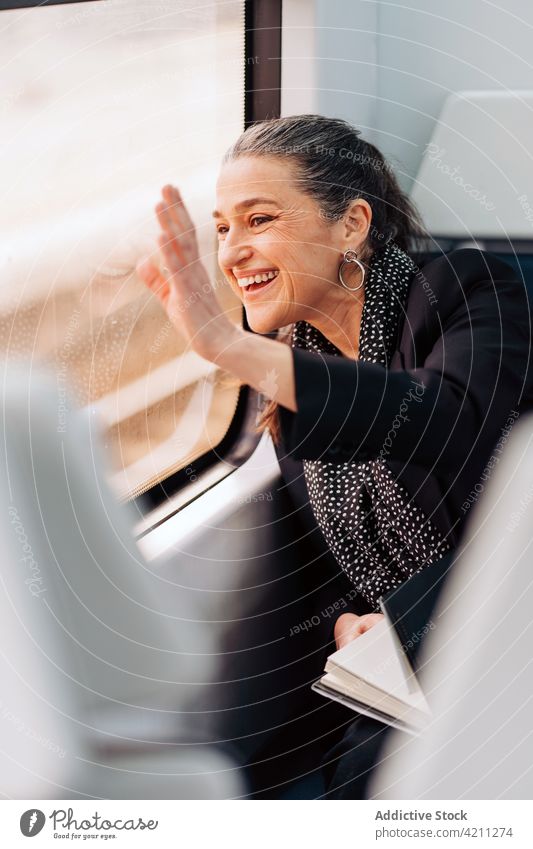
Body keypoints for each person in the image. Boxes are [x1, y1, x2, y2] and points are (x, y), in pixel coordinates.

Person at [137, 114, 533, 796]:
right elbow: (322, 567)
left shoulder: (470, 289)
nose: (231, 252)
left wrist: (225, 344)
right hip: (399, 651)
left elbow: (443, 420)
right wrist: (351, 622)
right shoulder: (294, 374)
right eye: (222, 227)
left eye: (258, 218)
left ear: (350, 224)